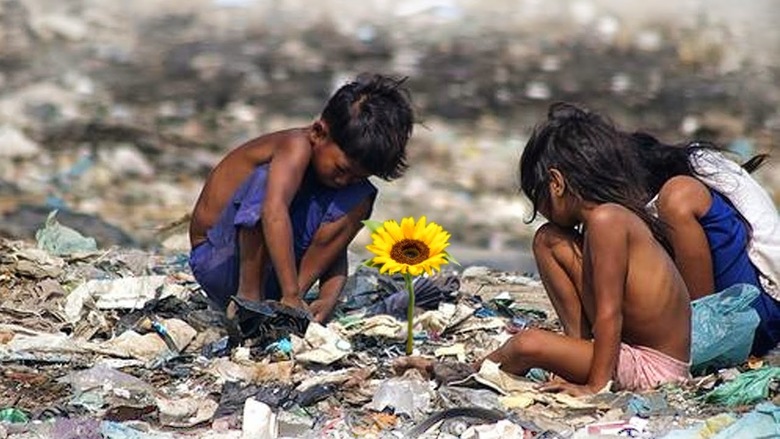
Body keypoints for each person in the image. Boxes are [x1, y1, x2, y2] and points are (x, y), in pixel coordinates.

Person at [398, 103, 693, 396]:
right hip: (628, 352)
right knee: (548, 240)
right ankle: (574, 351)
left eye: (537, 197)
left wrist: (594, 387)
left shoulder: (607, 221)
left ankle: (469, 372)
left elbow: (609, 314)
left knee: (528, 344)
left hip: (652, 369)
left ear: (556, 183)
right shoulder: (607, 219)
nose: (540, 210)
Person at [188, 74, 414, 324]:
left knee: (359, 196)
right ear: (318, 132)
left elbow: (335, 244)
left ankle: (287, 307)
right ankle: (249, 299)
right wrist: (290, 292)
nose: (344, 181)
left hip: (275, 276)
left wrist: (328, 296)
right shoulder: (295, 145)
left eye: (356, 176)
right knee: (266, 183)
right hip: (218, 260)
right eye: (341, 169)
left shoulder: (336, 178)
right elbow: (273, 212)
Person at [629, 132, 780, 356]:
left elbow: (702, 316)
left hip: (758, 313)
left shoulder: (682, 194)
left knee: (678, 197)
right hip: (744, 314)